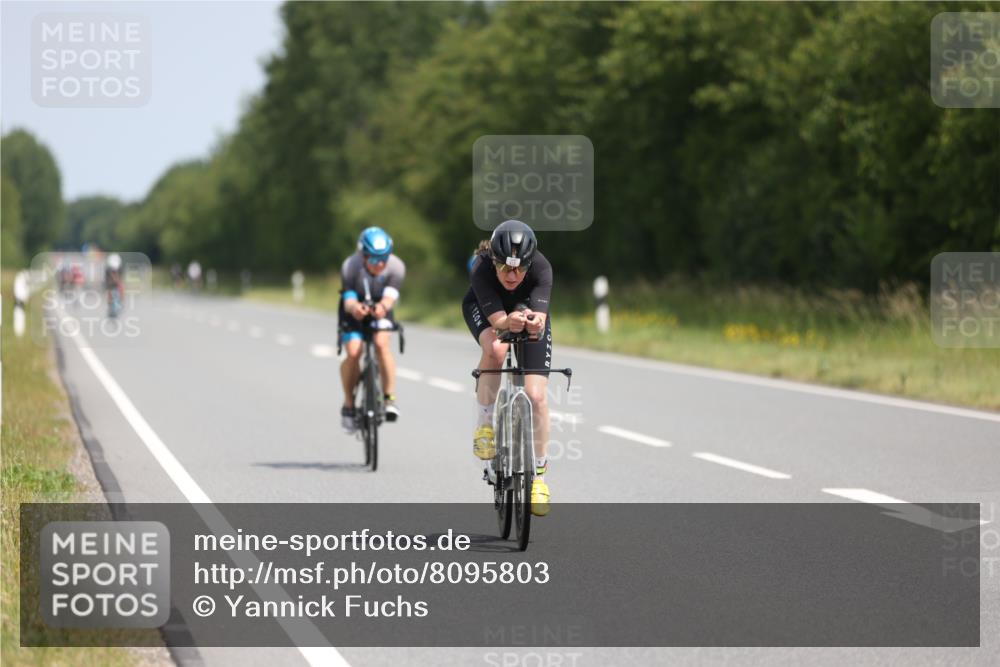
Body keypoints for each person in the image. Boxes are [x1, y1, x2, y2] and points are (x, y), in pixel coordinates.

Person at [462, 219, 553, 517]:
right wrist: (504, 323)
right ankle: (485, 424)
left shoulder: (541, 268)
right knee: (497, 348)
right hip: (487, 308)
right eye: (505, 268)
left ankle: (538, 475)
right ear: (494, 260)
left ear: (529, 263)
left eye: (519, 268)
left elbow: (539, 318)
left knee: (536, 397)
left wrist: (534, 321)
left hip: (525, 309)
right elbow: (499, 323)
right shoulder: (481, 268)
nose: (512, 275)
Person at [339, 227, 405, 432]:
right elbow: (348, 298)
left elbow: (390, 296)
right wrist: (355, 309)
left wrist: (382, 307)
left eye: (383, 258)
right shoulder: (350, 265)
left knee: (381, 344)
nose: (380, 264)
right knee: (353, 351)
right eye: (374, 259)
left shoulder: (396, 266)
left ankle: (389, 399)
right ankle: (349, 404)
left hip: (381, 306)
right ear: (363, 255)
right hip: (354, 307)